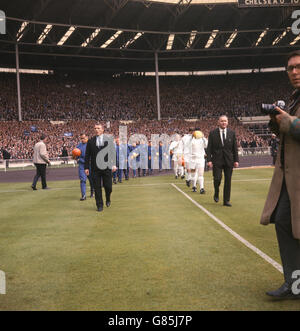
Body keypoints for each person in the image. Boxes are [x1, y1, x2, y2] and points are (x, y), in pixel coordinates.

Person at [261, 50, 300, 299]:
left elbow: (295, 126)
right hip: (290, 178)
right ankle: (294, 282)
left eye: (299, 67)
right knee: (284, 221)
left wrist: (292, 123)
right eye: (290, 68)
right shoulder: (295, 98)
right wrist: (277, 121)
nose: (295, 72)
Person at [206, 115, 239, 206]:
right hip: (217, 160)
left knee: (228, 181)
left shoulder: (232, 133)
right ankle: (216, 192)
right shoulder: (212, 133)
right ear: (218, 122)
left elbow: (234, 148)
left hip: (229, 160)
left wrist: (236, 160)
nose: (223, 122)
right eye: (222, 121)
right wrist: (209, 160)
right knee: (217, 178)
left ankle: (226, 200)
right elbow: (209, 148)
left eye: (225, 121)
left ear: (227, 122)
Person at [84, 123, 117, 212]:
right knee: (97, 188)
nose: (96, 130)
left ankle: (108, 198)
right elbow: (87, 155)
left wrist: (114, 164)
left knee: (108, 187)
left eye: (98, 128)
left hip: (107, 167)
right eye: (95, 128)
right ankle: (99, 205)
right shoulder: (90, 141)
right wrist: (86, 167)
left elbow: (112, 153)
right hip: (95, 169)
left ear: (102, 130)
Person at [75, 133, 94, 201]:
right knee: (83, 180)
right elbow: (75, 157)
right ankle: (83, 195)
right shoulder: (78, 146)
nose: (82, 140)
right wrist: (75, 156)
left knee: (91, 179)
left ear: (87, 137)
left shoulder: (91, 144)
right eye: (81, 138)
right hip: (82, 165)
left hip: (90, 164)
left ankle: (92, 191)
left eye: (84, 138)